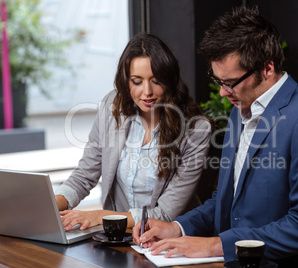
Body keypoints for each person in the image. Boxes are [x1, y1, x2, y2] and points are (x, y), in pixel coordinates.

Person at [133, 6, 298, 268]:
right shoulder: (239, 111)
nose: (222, 93)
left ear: (267, 68)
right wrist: (177, 227)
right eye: (217, 80)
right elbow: (224, 200)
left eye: (229, 82)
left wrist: (214, 245)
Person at [55, 33, 211, 232]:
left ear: (169, 80)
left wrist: (103, 217)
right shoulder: (111, 107)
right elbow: (84, 176)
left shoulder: (196, 130)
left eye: (156, 81)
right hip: (120, 236)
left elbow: (164, 214)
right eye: (137, 81)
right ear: (125, 81)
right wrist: (49, 206)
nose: (147, 92)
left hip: (170, 241)